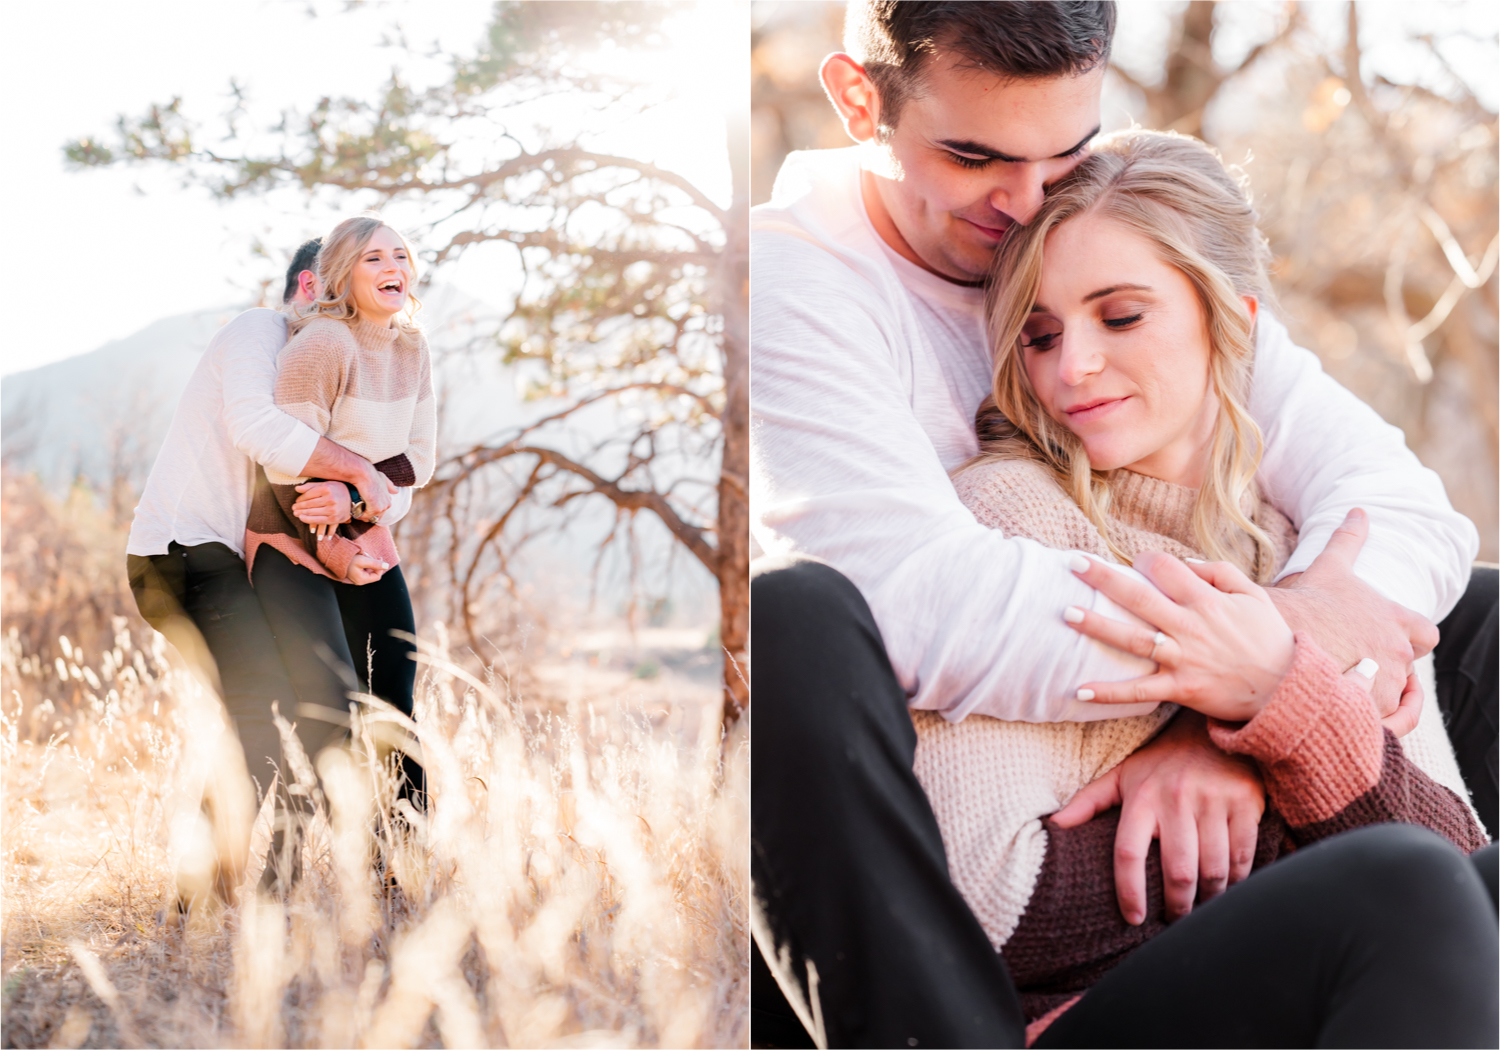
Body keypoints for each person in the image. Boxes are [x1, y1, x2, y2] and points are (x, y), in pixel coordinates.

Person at [749, 2, 1496, 1045]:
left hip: (1157, 699)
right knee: (799, 620)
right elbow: (916, 603)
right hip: (893, 805)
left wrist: (1246, 713)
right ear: (857, 100)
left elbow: (1401, 508)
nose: (1025, 201)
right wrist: (1249, 678)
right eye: (974, 157)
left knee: (1485, 621)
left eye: (1068, 148)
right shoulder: (794, 284)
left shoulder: (1116, 227)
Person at [910, 127, 1494, 1047]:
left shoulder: (1308, 551)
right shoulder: (1008, 515)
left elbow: (1462, 867)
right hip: (1089, 1019)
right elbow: (983, 903)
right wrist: (1283, 744)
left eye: (1122, 316)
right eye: (1041, 335)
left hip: (1345, 999)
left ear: (1234, 320)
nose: (1073, 369)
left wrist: (1261, 714)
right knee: (1403, 885)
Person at [127, 236, 404, 900]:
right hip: (182, 555)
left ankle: (275, 879)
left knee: (297, 709)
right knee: (265, 709)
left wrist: (357, 501)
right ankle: (198, 894)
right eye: (337, 295)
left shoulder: (313, 367)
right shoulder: (260, 331)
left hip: (227, 562)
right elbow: (253, 424)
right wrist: (362, 474)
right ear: (309, 287)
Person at [244, 215, 435, 823]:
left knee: (395, 701)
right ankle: (325, 865)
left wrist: (355, 505)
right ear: (340, 274)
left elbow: (418, 461)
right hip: (291, 540)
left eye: (400, 257)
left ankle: (405, 867)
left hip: (365, 535)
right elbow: (288, 462)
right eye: (374, 259)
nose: (393, 269)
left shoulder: (412, 349)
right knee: (331, 706)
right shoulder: (323, 343)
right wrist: (337, 544)